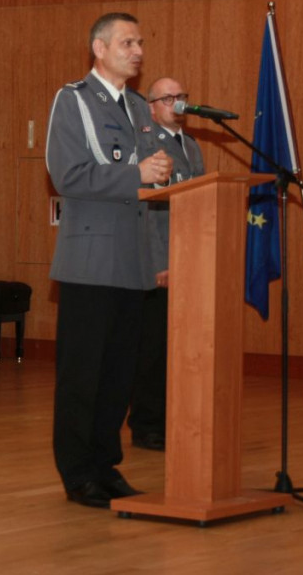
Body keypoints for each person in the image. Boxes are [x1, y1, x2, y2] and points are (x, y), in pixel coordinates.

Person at [45, 13, 173, 509]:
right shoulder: (74, 99)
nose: (137, 50)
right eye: (127, 42)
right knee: (84, 375)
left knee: (119, 375)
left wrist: (159, 171)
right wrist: (136, 172)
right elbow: (68, 174)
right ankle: (77, 472)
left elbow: (146, 174)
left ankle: (106, 466)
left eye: (140, 41)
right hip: (92, 258)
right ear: (99, 48)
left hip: (133, 260)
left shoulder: (140, 107)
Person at [127, 77, 206, 451]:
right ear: (152, 106)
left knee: (183, 348)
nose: (178, 103)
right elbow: (151, 210)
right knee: (153, 350)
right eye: (169, 97)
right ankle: (147, 425)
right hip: (159, 263)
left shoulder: (190, 146)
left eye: (182, 96)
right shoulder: (146, 146)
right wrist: (160, 261)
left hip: (191, 260)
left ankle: (176, 418)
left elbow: (200, 203)